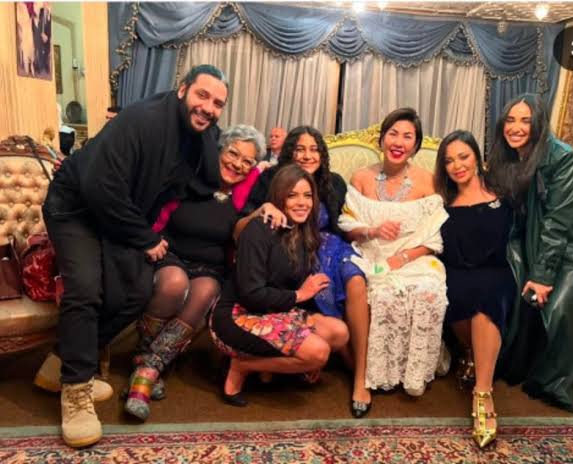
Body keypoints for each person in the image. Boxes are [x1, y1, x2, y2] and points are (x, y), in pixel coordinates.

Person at [37, 64, 228, 448]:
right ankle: (75, 391)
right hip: (76, 208)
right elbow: (99, 185)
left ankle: (60, 365)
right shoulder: (144, 120)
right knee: (86, 289)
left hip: (118, 214)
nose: (209, 107)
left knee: (137, 289)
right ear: (182, 90)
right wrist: (145, 238)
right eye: (202, 95)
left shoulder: (195, 132)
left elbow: (208, 179)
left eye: (218, 104)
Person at [123, 124, 274, 421]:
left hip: (210, 266)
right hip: (170, 253)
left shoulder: (244, 197)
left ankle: (148, 367)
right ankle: (146, 356)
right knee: (174, 283)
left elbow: (244, 230)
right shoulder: (190, 179)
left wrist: (262, 208)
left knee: (206, 290)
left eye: (247, 161)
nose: (237, 164)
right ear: (219, 151)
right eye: (233, 153)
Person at [487, 93, 573, 413]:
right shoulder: (507, 156)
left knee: (561, 308)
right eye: (510, 120)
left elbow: (557, 221)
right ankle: (525, 368)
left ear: (539, 123)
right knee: (522, 300)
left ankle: (558, 383)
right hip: (534, 238)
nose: (515, 127)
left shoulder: (562, 157)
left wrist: (542, 275)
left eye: (525, 121)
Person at [245, 126, 371, 418]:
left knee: (355, 279)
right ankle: (332, 356)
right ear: (289, 152)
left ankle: (361, 377)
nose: (307, 155)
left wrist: (372, 233)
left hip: (334, 247)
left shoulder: (334, 182)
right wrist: (266, 206)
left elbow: (347, 223)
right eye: (300, 149)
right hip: (295, 246)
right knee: (316, 283)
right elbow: (247, 220)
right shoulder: (270, 178)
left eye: (314, 149)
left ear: (322, 154)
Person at [210, 165, 349, 406]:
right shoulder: (259, 229)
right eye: (292, 195)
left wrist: (303, 295)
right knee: (318, 353)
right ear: (279, 197)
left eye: (307, 195)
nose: (302, 203)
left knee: (339, 333)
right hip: (238, 315)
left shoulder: (304, 231)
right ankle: (242, 366)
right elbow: (251, 294)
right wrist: (300, 295)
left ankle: (274, 368)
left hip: (275, 311)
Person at [339, 107, 450, 397]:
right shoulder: (361, 177)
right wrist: (372, 231)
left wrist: (402, 257)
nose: (399, 142)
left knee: (428, 290)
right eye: (393, 134)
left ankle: (412, 372)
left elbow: (434, 236)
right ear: (382, 138)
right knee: (383, 293)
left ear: (416, 145)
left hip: (415, 256)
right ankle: (379, 372)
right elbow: (347, 227)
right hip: (370, 254)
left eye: (407, 136)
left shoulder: (429, 181)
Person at [434, 130, 513, 448]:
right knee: (454, 292)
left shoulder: (503, 193)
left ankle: (483, 393)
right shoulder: (442, 201)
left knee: (485, 298)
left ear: (478, 158)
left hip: (497, 272)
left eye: (463, 156)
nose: (457, 165)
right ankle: (471, 352)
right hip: (456, 272)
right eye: (449, 160)